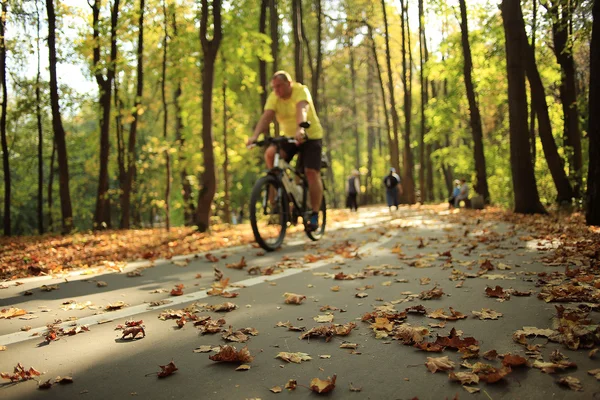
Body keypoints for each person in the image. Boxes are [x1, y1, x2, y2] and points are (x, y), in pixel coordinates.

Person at [247, 71, 324, 232]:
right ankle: (281, 196)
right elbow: (266, 117)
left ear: (289, 83)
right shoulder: (274, 97)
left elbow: (301, 110)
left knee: (311, 172)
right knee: (270, 154)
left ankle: (315, 214)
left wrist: (300, 129)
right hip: (288, 138)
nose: (277, 90)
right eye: (274, 87)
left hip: (310, 136)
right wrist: (255, 136)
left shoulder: (300, 91)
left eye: (279, 86)